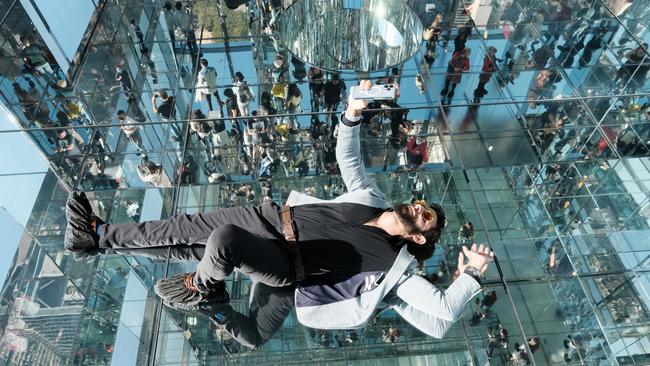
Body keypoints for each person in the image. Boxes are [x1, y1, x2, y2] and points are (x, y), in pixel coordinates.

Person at [63, 80, 494, 341]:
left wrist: (471, 274)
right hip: (272, 218)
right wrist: (352, 114)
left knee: (223, 242)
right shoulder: (372, 197)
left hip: (285, 266)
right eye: (421, 205)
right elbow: (349, 159)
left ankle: (204, 289)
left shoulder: (397, 268)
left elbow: (441, 313)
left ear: (418, 237)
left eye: (425, 218)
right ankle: (97, 238)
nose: (418, 208)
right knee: (183, 234)